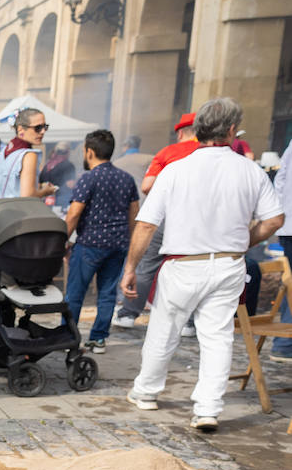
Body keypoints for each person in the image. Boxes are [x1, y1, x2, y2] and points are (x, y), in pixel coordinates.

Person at [122, 97, 283, 432]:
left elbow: (147, 224)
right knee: (217, 337)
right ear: (231, 130)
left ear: (197, 130)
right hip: (228, 264)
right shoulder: (250, 170)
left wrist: (130, 268)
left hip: (183, 263)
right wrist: (244, 241)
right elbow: (273, 220)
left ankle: (146, 392)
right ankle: (208, 408)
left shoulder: (175, 170)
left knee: (163, 331)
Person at [114, 113, 199, 328]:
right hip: (196, 221)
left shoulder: (167, 152)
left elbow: (147, 186)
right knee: (191, 269)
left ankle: (128, 314)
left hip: (164, 217)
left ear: (180, 132)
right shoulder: (207, 153)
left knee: (145, 266)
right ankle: (188, 323)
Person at [63, 130, 139, 354]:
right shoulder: (126, 179)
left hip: (90, 244)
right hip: (118, 246)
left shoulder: (88, 178)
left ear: (89, 152)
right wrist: (129, 242)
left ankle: (68, 337)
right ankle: (98, 339)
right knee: (107, 294)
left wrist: (63, 240)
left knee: (75, 294)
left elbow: (74, 214)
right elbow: (134, 215)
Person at [0, 108, 56, 200]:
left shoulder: (3, 152)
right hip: (19, 212)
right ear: (20, 129)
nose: (43, 132)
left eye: (45, 127)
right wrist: (45, 191)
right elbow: (27, 195)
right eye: (37, 128)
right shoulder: (29, 155)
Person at [272, 136, 292, 363]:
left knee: (291, 281)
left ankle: (284, 343)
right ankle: (285, 344)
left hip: (288, 223)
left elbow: (281, 179)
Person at [40, 142, 78, 206]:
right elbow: (70, 185)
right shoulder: (68, 165)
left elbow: (40, 182)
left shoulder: (47, 165)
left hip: (45, 200)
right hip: (61, 200)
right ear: (68, 152)